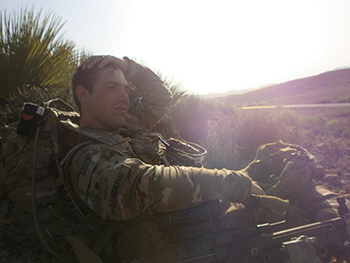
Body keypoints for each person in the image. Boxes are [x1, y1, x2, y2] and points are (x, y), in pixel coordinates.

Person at [63, 55, 288, 262]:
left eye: (125, 88)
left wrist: (126, 67)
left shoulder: (127, 124)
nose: (124, 96)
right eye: (112, 87)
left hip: (194, 217)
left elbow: (161, 97)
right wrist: (231, 183)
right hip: (172, 242)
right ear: (83, 94)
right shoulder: (85, 155)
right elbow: (144, 183)